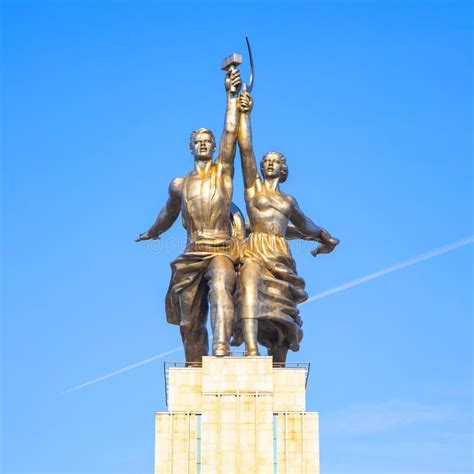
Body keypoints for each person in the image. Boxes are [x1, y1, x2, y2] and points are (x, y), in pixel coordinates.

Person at [135, 69, 242, 362]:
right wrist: (152, 232)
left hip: (221, 248)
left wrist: (230, 97)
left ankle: (222, 347)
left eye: (209, 140)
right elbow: (167, 214)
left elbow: (231, 133)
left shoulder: (223, 173)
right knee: (189, 321)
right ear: (191, 147)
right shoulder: (179, 184)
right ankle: (194, 364)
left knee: (221, 286)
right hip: (192, 253)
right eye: (199, 141)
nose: (205, 143)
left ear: (214, 147)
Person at [233, 89, 339, 363]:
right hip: (255, 248)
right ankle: (250, 349)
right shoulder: (253, 189)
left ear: (283, 170)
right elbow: (245, 148)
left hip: (280, 254)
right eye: (266, 161)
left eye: (275, 162)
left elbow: (305, 225)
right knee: (248, 285)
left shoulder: (288, 200)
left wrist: (323, 236)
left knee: (281, 308)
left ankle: (278, 356)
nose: (268, 163)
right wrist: (245, 113)